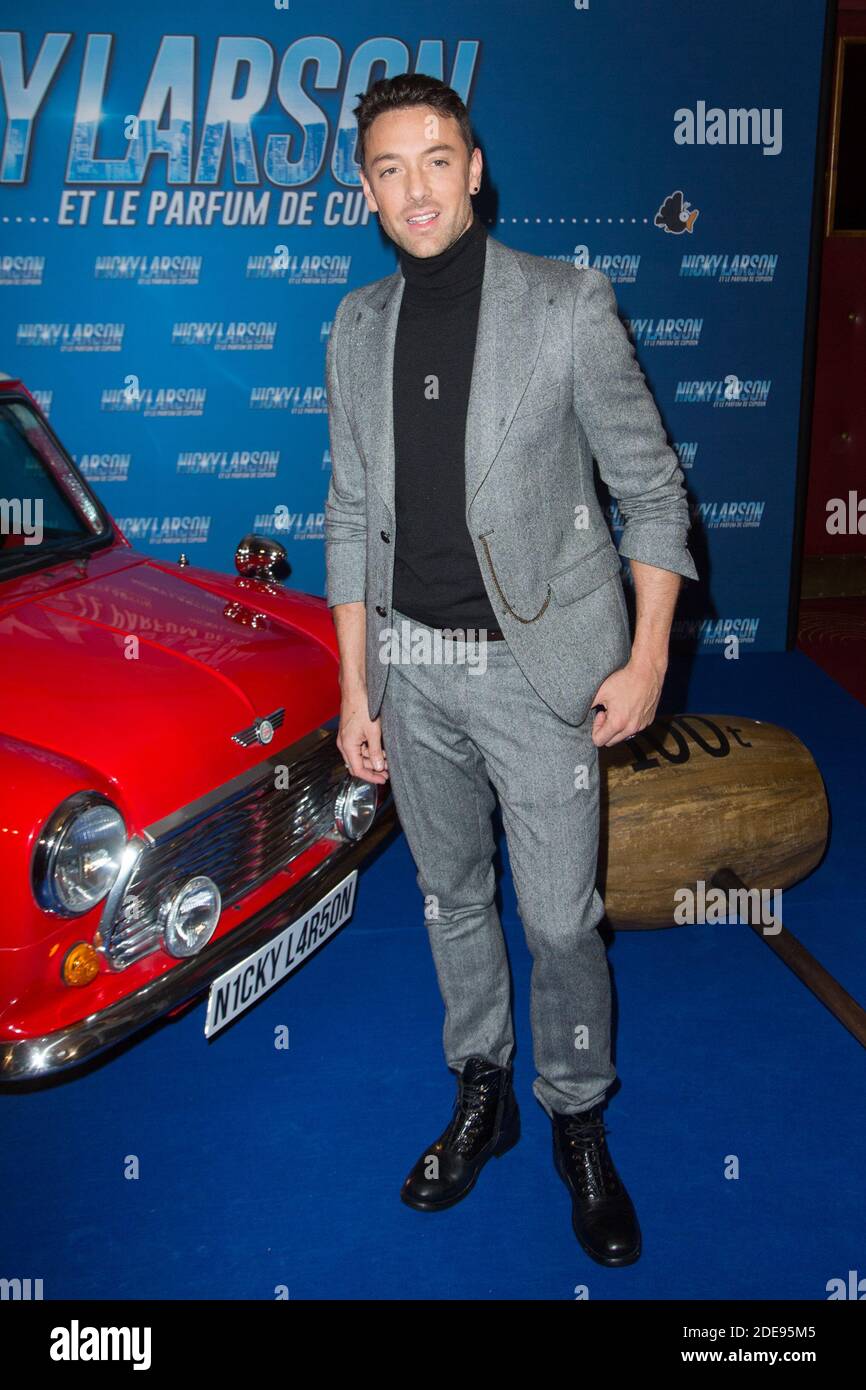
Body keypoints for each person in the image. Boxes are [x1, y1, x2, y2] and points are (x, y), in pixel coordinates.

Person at [324, 73, 698, 1266]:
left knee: (560, 919)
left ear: (474, 168)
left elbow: (651, 492)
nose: (414, 187)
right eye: (388, 169)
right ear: (368, 191)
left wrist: (645, 660)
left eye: (435, 159)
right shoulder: (354, 324)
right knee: (447, 899)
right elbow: (345, 515)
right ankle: (478, 1085)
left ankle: (576, 1113)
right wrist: (355, 686)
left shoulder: (565, 302)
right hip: (410, 671)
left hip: (540, 672)